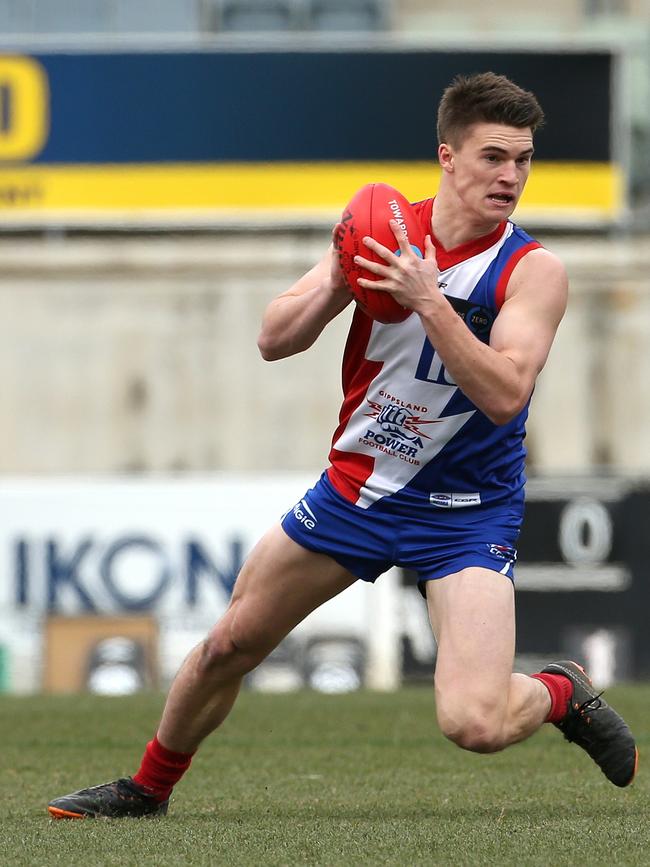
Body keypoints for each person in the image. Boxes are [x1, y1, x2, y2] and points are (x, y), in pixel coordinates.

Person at [47, 71, 637, 820]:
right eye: (493, 156)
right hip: (358, 490)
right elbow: (272, 339)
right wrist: (339, 275)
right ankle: (145, 789)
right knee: (231, 642)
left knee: (475, 721)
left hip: (466, 510)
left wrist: (429, 300)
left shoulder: (533, 270)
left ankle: (560, 691)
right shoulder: (382, 232)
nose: (511, 176)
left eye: (522, 159)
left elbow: (504, 393)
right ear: (447, 157)